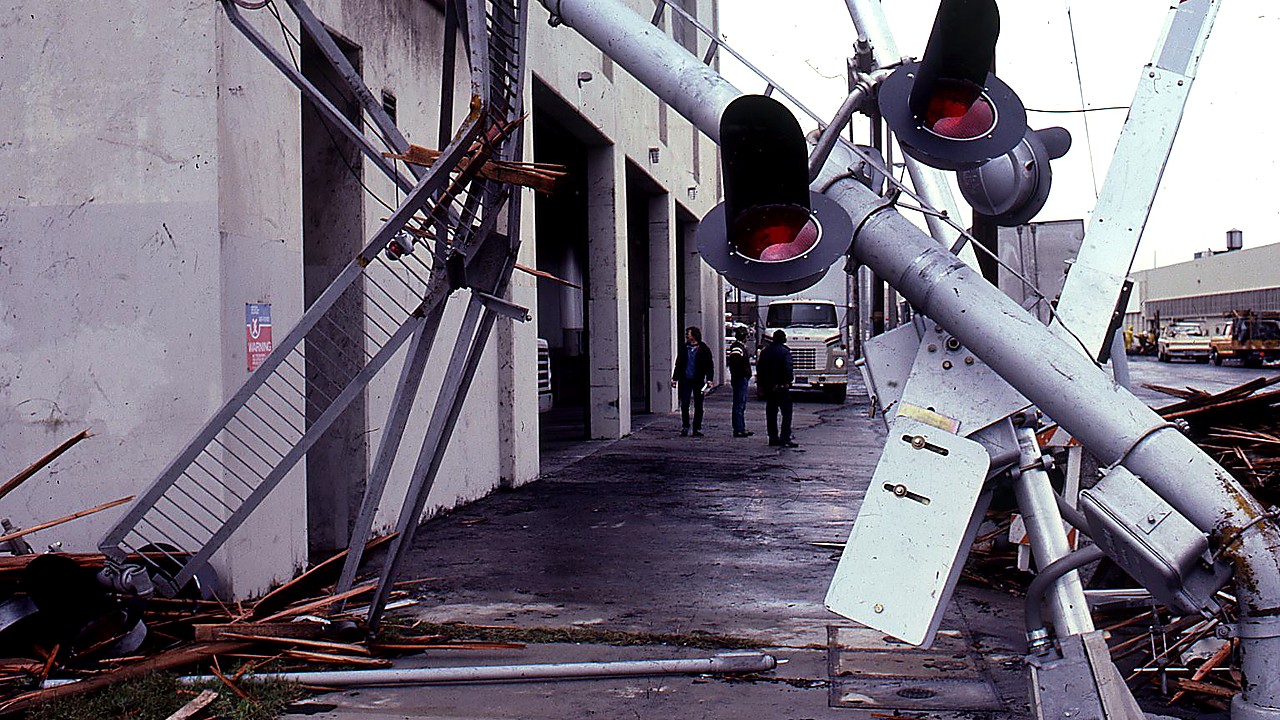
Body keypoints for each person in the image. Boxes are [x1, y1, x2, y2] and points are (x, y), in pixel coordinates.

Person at [756, 329, 796, 447]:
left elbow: (760, 370)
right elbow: (788, 368)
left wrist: (761, 385)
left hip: (769, 387)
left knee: (771, 414)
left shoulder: (765, 352)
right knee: (786, 413)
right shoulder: (785, 352)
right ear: (783, 339)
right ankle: (785, 438)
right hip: (782, 387)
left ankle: (773, 438)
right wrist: (788, 381)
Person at [671, 326, 713, 437]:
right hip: (685, 380)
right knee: (684, 404)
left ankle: (696, 428)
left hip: (698, 380)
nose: (686, 335)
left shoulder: (703, 349)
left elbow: (709, 365)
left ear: (694, 335)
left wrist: (709, 379)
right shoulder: (684, 348)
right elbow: (679, 364)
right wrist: (675, 378)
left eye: (688, 333)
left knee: (699, 405)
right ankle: (685, 426)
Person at [727, 326, 753, 438]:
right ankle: (738, 428)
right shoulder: (738, 348)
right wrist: (744, 373)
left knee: (740, 404)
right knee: (739, 404)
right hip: (740, 379)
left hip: (739, 378)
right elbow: (735, 363)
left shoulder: (738, 347)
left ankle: (740, 427)